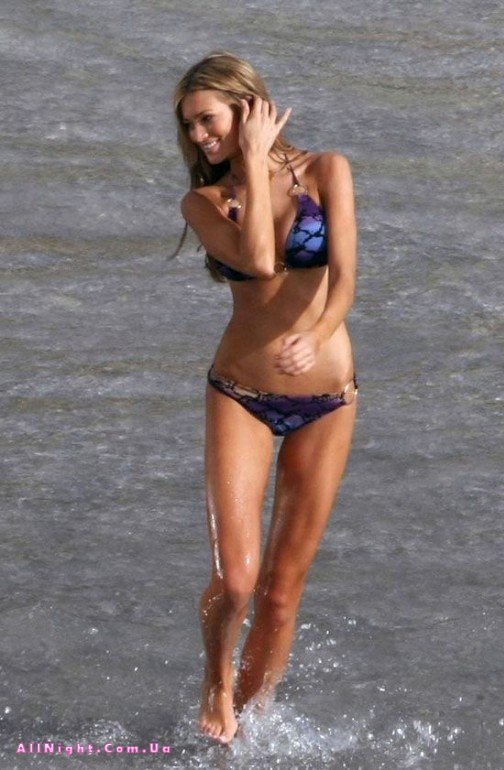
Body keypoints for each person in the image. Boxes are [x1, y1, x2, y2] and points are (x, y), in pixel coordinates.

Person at [173, 51, 358, 744]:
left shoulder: (328, 170)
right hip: (241, 395)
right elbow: (257, 261)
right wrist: (250, 162)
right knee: (238, 580)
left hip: (328, 399)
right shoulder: (203, 202)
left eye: (206, 119)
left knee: (280, 595)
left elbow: (345, 279)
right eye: (188, 126)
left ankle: (246, 738)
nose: (198, 136)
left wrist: (321, 332)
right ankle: (216, 681)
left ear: (247, 106)